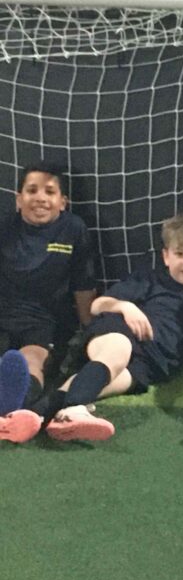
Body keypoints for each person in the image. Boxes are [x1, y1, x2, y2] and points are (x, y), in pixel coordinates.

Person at [0, 212, 183, 444]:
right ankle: (76, 408)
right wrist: (125, 307)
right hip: (120, 333)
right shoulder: (149, 280)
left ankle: (29, 417)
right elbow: (97, 305)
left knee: (101, 384)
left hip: (152, 364)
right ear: (166, 256)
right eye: (180, 254)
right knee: (117, 352)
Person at [0, 161, 96, 421]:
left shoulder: (74, 229)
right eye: (32, 190)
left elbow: (83, 284)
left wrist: (90, 331)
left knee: (31, 360)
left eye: (49, 192)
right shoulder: (5, 228)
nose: (40, 198)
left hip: (45, 323)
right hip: (4, 315)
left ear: (62, 202)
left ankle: (11, 403)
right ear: (18, 199)